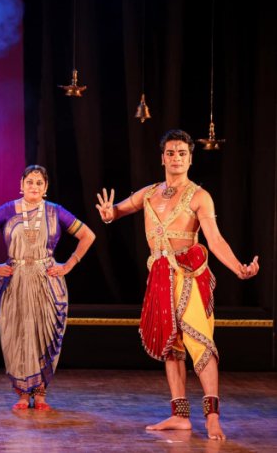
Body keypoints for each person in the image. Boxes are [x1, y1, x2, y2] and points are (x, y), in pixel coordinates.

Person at [96, 129, 259, 440]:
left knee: (201, 344)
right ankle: (179, 416)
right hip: (159, 276)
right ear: (162, 158)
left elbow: (215, 239)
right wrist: (108, 215)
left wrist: (239, 267)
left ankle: (212, 417)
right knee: (171, 347)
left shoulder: (199, 196)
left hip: (187, 275)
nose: (176, 158)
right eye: (170, 152)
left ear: (190, 159)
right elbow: (118, 211)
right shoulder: (149, 193)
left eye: (182, 153)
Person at [0, 165, 95, 410]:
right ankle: (21, 394)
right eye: (30, 182)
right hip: (15, 281)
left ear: (45, 188)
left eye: (39, 183)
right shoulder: (8, 210)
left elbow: (88, 235)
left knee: (42, 335)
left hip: (46, 281)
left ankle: (40, 393)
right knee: (18, 335)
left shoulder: (55, 211)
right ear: (21, 185)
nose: (34, 187)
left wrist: (69, 264)